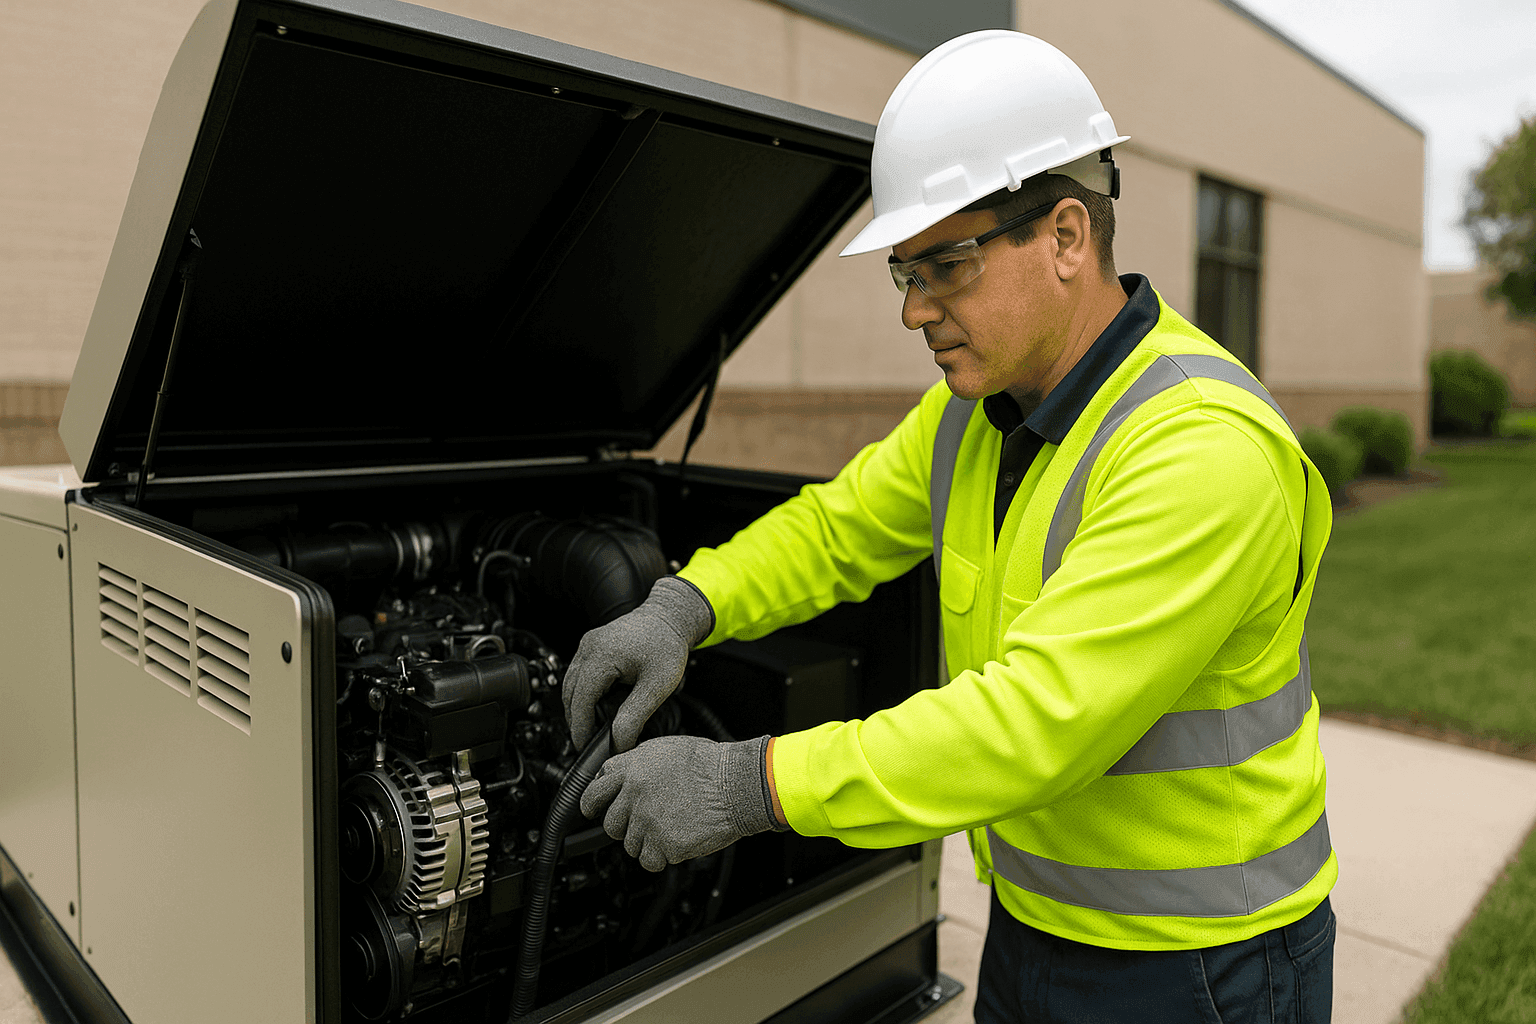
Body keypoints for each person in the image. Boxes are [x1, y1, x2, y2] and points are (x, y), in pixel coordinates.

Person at [572, 29, 1336, 1024]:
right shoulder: (975, 410)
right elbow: (838, 528)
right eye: (905, 272)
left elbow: (1029, 725)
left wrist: (745, 784)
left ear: (1067, 238)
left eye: (948, 266)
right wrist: (685, 603)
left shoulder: (1198, 448)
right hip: (1037, 924)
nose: (915, 311)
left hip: (1203, 967)